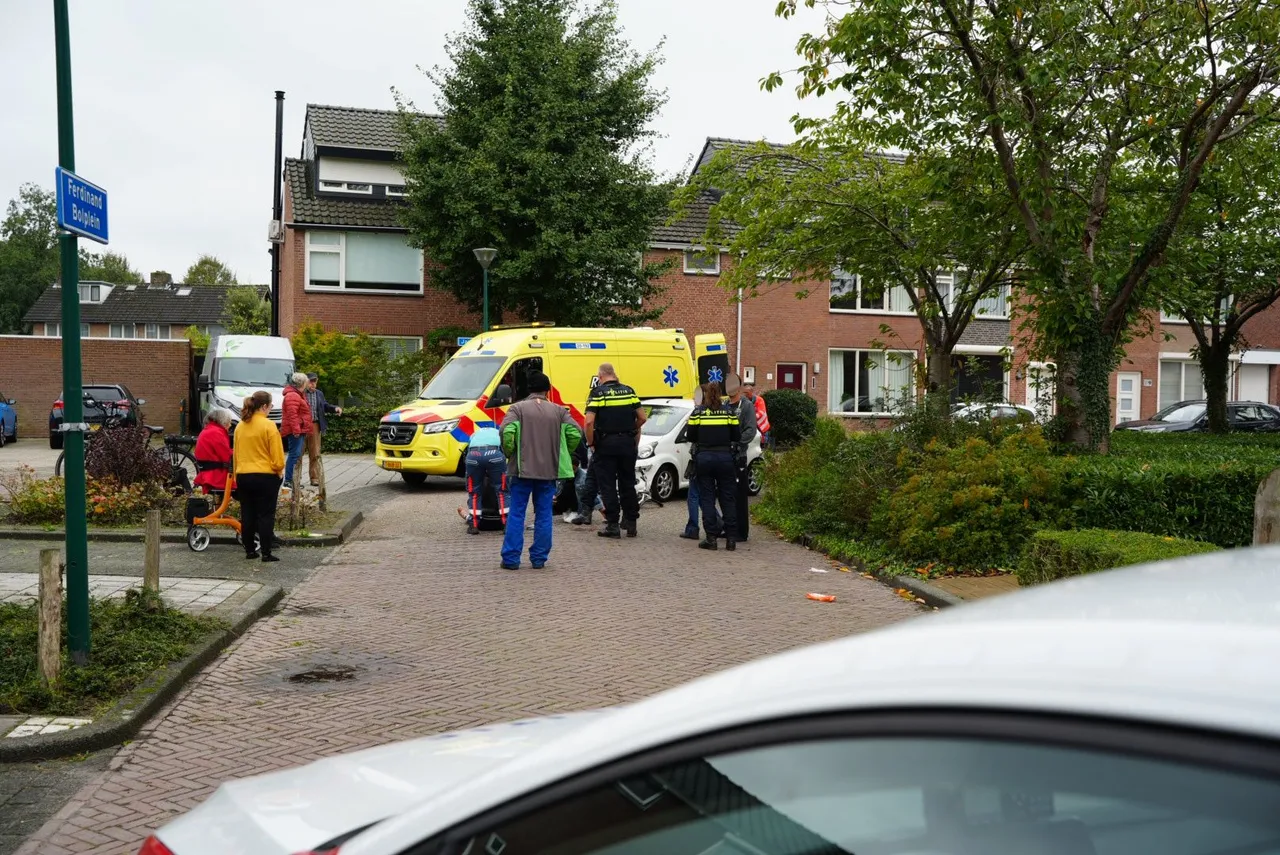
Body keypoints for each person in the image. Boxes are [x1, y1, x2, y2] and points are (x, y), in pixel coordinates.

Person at [499, 371, 582, 570]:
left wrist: (510, 453)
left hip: (521, 470)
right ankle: (539, 559)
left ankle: (511, 559)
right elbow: (575, 433)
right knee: (544, 514)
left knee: (517, 513)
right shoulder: (559, 411)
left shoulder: (517, 409)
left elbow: (507, 432)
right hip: (549, 471)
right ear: (548, 390)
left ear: (528, 389)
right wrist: (562, 451)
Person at [585, 363, 646, 539]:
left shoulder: (598, 393)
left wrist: (591, 443)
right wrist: (631, 430)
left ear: (600, 376)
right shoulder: (629, 391)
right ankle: (631, 523)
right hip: (627, 444)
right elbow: (642, 417)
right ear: (614, 374)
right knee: (628, 483)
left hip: (606, 445)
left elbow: (589, 422)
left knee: (608, 485)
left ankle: (613, 525)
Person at [685, 382, 741, 551]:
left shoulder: (698, 413)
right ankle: (731, 539)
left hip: (704, 459)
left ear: (706, 395)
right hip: (725, 458)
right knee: (727, 498)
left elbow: (690, 436)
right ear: (721, 394)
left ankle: (711, 538)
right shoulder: (729, 412)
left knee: (707, 498)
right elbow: (736, 435)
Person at [234, 391, 286, 563]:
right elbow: (277, 456)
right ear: (264, 406)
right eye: (271, 406)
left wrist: (237, 474)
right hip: (265, 476)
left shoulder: (240, 426)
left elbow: (236, 454)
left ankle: (250, 550)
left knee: (247, 513)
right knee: (265, 515)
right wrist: (279, 470)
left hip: (243, 475)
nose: (271, 409)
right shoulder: (269, 426)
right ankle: (266, 552)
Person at [727, 377, 759, 543]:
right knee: (726, 495)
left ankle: (741, 531)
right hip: (724, 457)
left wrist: (736, 443)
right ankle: (728, 528)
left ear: (738, 387)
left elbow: (750, 430)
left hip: (738, 457)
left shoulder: (746, 406)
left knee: (739, 495)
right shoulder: (724, 406)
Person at [465, 423, 507, 535]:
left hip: (473, 455)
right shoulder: (498, 432)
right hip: (494, 454)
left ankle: (473, 525)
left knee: (474, 491)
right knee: (502, 490)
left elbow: (468, 449)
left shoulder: (475, 434)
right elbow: (505, 448)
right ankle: (506, 524)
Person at [304, 372, 342, 487]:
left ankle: (314, 478)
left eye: (315, 381)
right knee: (298, 454)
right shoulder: (300, 393)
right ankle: (295, 479)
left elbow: (325, 406)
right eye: (311, 381)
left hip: (315, 425)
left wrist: (335, 408)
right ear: (306, 382)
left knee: (315, 453)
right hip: (301, 426)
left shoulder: (319, 393)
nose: (313, 384)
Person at [280, 372, 313, 489]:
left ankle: (293, 480)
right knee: (294, 454)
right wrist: (296, 430)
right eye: (306, 382)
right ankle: (288, 481)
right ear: (302, 383)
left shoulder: (297, 394)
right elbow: (292, 415)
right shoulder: (293, 395)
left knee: (296, 454)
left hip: (299, 428)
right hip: (295, 430)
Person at [192, 410, 233, 496]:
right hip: (216, 476)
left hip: (207, 473)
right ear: (223, 421)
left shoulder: (210, 429)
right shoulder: (217, 433)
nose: (230, 425)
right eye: (229, 422)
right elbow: (226, 456)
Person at [744, 382, 772, 450]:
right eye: (744, 392)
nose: (745, 394)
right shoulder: (745, 401)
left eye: (747, 393)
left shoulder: (759, 400)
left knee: (763, 445)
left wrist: (750, 417)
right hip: (752, 426)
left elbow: (761, 412)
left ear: (751, 392)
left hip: (762, 426)